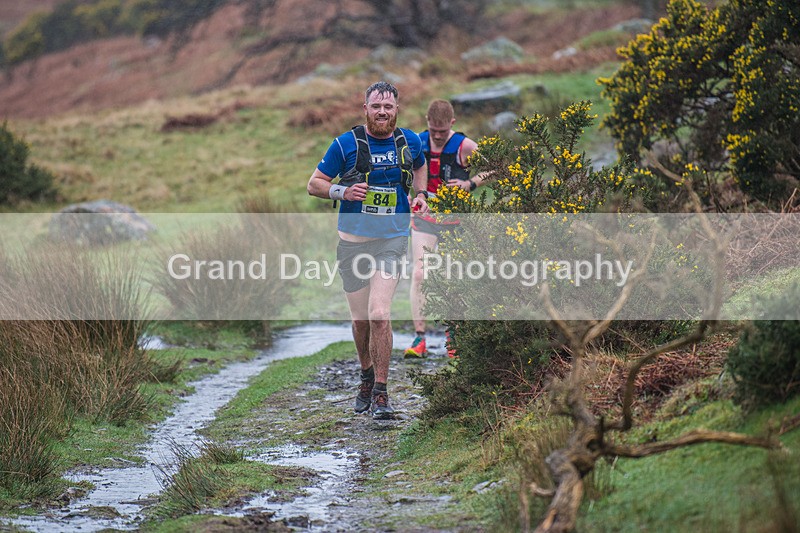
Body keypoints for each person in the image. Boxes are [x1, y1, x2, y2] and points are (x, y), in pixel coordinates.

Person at [307, 81, 428, 420]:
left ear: (397, 109)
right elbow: (314, 184)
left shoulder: (410, 141)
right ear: (366, 109)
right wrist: (342, 192)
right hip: (353, 244)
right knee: (361, 320)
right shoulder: (345, 144)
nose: (382, 112)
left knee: (379, 313)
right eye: (376, 106)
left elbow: (420, 166)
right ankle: (366, 375)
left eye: (388, 107)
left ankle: (381, 393)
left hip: (392, 239)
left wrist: (420, 195)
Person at [404, 99, 485, 359]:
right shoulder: (416, 142)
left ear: (452, 123)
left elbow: (494, 167)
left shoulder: (465, 145)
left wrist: (469, 184)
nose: (437, 136)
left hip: (455, 222)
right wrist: (406, 194)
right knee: (420, 274)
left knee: (453, 277)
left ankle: (454, 337)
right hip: (425, 218)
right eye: (433, 130)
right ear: (426, 122)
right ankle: (420, 338)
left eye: (442, 131)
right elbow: (401, 173)